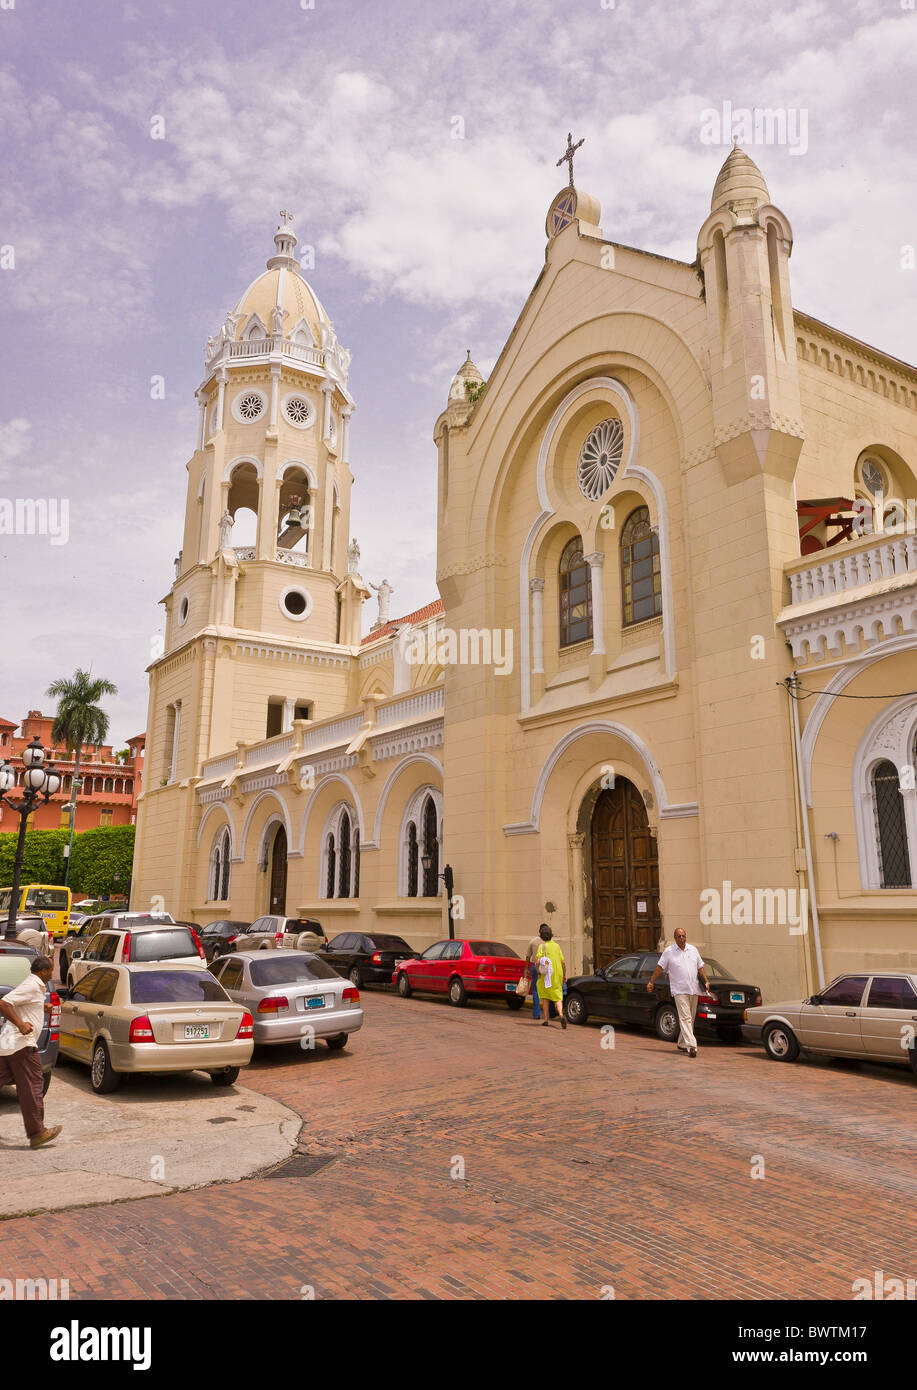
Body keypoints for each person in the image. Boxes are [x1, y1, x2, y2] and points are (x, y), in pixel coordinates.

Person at [0, 955, 62, 1148]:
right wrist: (20, 1024)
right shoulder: (32, 985)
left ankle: (37, 1132)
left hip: (9, 1045)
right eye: (51, 971)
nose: (52, 974)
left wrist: (40, 1006)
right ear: (43, 971)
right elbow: (4, 1003)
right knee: (33, 1086)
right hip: (21, 1045)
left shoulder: (34, 987)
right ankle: (37, 1133)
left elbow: (21, 1004)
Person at [646, 927, 712, 1057]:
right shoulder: (669, 952)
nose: (681, 939)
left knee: (690, 1018)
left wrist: (706, 981)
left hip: (694, 988)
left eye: (683, 936)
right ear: (675, 938)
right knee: (685, 1017)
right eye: (679, 936)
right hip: (679, 990)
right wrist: (651, 982)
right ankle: (692, 1045)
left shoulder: (693, 950)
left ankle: (682, 1042)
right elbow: (660, 967)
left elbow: (700, 967)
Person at [534, 923, 566, 1030]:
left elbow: (537, 962)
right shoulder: (557, 946)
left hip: (546, 975)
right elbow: (563, 962)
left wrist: (538, 972)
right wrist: (564, 975)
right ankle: (561, 1014)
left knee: (545, 997)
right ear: (551, 935)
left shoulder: (542, 947)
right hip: (557, 974)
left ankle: (546, 1020)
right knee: (557, 997)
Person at [524, 929, 544, 1021]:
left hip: (534, 966)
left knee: (536, 990)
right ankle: (551, 1012)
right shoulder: (550, 943)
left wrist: (527, 969)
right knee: (548, 989)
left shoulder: (533, 941)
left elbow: (528, 956)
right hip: (546, 967)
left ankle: (536, 1014)